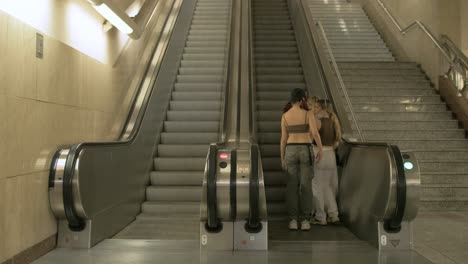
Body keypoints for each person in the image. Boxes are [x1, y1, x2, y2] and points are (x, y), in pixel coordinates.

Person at [281, 88, 323, 231]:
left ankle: (293, 220)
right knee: (306, 186)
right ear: (302, 99)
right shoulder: (307, 114)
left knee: (291, 187)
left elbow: (283, 139)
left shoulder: (285, 116)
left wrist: (282, 157)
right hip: (305, 148)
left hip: (290, 150)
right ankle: (305, 221)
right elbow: (315, 133)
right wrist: (321, 149)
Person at [311, 99, 342, 225]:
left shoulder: (317, 120)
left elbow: (312, 137)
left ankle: (320, 216)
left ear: (318, 107)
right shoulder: (333, 119)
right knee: (328, 187)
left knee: (317, 187)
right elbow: (336, 141)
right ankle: (334, 214)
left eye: (314, 107)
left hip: (319, 154)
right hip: (331, 155)